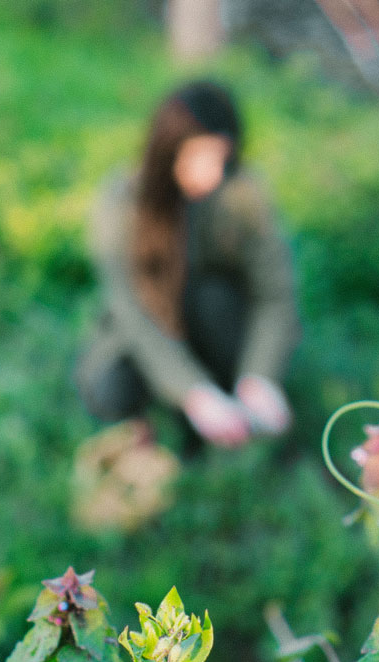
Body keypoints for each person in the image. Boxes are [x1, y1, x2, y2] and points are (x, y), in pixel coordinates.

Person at [77, 80, 299, 449]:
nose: (212, 174)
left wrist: (260, 377)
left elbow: (275, 294)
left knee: (214, 299)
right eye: (198, 158)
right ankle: (169, 415)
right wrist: (192, 392)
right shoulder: (122, 202)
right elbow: (129, 310)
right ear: (168, 151)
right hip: (150, 328)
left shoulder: (243, 194)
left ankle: (226, 398)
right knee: (110, 389)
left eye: (221, 159)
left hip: (215, 320)